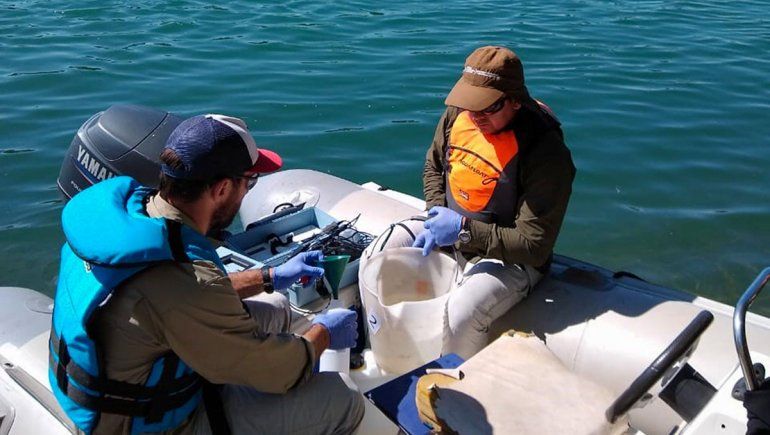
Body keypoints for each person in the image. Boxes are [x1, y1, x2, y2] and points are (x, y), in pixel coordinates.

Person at [49, 114, 364, 434]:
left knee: (279, 309)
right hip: (146, 426)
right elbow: (281, 373)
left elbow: (179, 296)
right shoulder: (184, 278)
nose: (247, 192)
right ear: (222, 188)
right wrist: (324, 333)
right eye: (249, 181)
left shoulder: (141, 217)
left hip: (130, 373)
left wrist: (269, 276)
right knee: (342, 399)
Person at [370, 46, 575, 359]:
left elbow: (533, 245)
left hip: (508, 257)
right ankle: (390, 355)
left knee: (462, 311)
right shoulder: (460, 113)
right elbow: (434, 166)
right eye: (470, 104)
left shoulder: (546, 152)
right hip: (450, 230)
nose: (475, 115)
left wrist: (464, 231)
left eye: (486, 107)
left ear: (515, 101)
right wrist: (436, 212)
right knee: (378, 253)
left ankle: (453, 392)